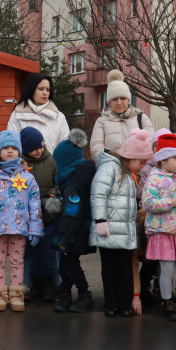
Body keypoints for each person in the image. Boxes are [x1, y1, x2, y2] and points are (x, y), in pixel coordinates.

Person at [0, 130, 42, 312]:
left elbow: (35, 205)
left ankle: (17, 295)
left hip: (20, 229)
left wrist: (35, 229)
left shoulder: (28, 178)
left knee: (17, 261)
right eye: (6, 148)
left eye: (14, 148)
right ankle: (0, 295)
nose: (10, 151)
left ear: (19, 151)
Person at [90, 129, 150, 317]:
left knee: (124, 268)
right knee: (109, 267)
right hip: (108, 229)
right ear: (130, 157)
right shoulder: (110, 169)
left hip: (124, 231)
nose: (142, 166)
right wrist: (100, 220)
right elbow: (98, 194)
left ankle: (124, 303)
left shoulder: (128, 174)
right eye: (140, 162)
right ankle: (111, 303)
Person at [142, 133, 176, 321]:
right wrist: (170, 202)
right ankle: (167, 300)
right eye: (175, 158)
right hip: (162, 231)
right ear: (163, 160)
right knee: (166, 269)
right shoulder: (153, 179)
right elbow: (148, 203)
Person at [51, 128, 97, 313]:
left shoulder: (72, 183)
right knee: (66, 261)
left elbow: (72, 212)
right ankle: (65, 293)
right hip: (75, 230)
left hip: (72, 232)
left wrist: (64, 238)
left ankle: (84, 293)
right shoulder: (77, 176)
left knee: (69, 261)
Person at [20, 126, 59, 301]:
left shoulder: (51, 161)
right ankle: (34, 285)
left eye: (41, 146)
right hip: (28, 219)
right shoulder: (21, 164)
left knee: (48, 253)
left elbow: (56, 184)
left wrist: (50, 196)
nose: (39, 150)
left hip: (47, 216)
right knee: (31, 254)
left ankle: (51, 285)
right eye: (35, 147)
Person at [89, 70, 149, 159]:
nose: (119, 102)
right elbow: (96, 149)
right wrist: (112, 162)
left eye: (123, 98)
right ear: (109, 102)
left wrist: (138, 162)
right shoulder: (101, 122)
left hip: (138, 170)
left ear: (128, 100)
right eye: (114, 99)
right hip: (113, 168)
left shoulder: (141, 118)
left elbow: (151, 143)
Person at [6, 72, 69, 152]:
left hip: (53, 164)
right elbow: (12, 145)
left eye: (48, 90)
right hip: (24, 164)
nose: (45, 93)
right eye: (41, 89)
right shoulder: (16, 115)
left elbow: (65, 147)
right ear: (31, 89)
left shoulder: (59, 117)